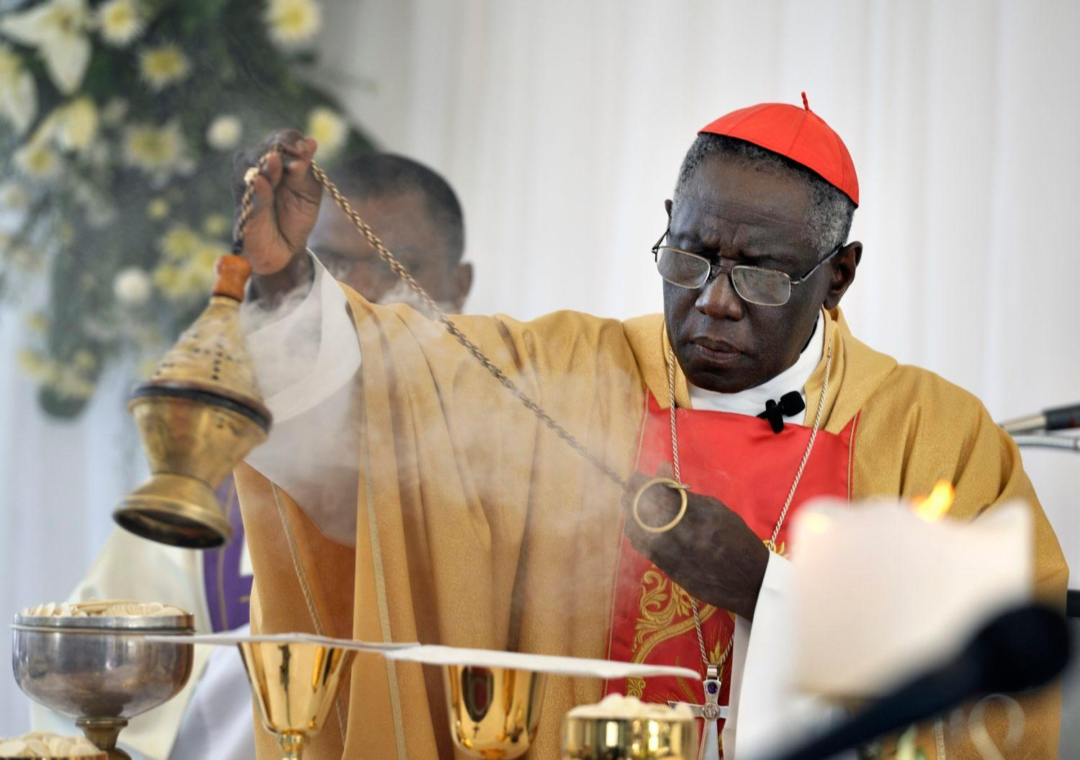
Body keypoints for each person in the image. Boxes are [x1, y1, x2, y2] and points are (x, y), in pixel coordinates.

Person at [233, 98, 1067, 760]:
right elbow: (386, 413)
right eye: (690, 256)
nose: (713, 300)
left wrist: (761, 587)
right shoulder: (565, 374)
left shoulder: (933, 437)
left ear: (838, 276)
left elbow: (1001, 682)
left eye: (760, 276)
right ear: (669, 221)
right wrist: (287, 293)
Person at [30, 153, 472, 760]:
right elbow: (96, 680)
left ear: (461, 286)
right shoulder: (215, 476)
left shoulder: (502, 476)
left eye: (404, 266)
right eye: (336, 263)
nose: (365, 292)